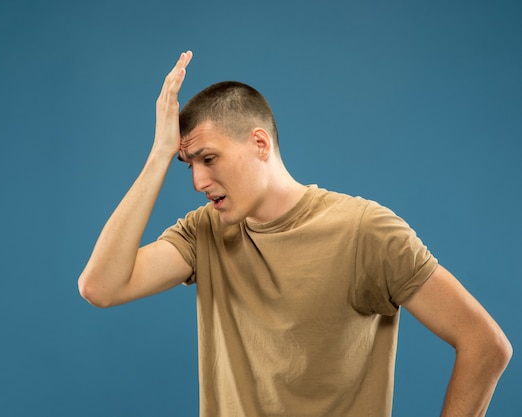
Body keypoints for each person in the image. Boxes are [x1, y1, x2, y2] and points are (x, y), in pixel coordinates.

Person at [78, 51, 512, 416]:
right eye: (188, 165)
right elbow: (100, 287)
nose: (197, 181)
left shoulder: (366, 231)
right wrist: (158, 155)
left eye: (208, 159)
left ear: (260, 144)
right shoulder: (203, 233)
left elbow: (485, 345)